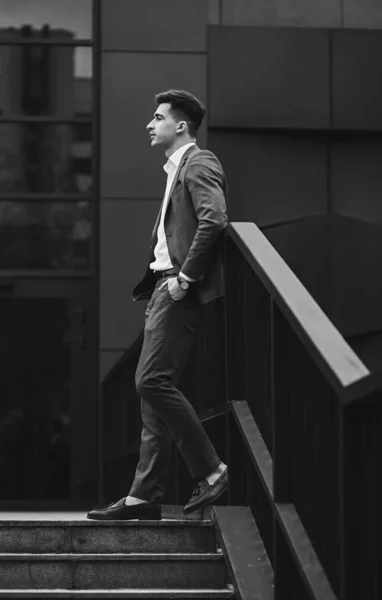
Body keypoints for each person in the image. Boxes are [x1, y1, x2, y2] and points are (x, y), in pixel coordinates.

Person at [87, 89, 228, 520]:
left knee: (151, 382)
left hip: (177, 290)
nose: (150, 125)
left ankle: (211, 469)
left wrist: (186, 279)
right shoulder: (174, 169)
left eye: (158, 117)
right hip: (162, 290)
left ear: (180, 125)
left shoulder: (198, 162)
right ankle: (143, 496)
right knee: (151, 394)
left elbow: (215, 219)